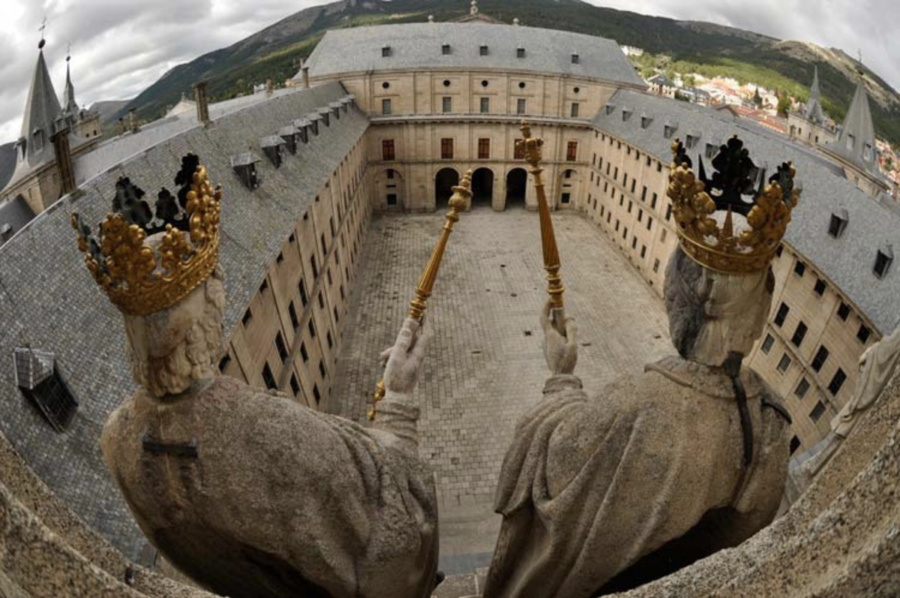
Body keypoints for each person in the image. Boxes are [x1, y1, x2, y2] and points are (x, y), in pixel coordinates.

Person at [73, 159, 439, 598]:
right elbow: (393, 533)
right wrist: (398, 401)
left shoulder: (115, 441)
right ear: (213, 304)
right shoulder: (276, 434)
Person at [484, 139, 793, 598]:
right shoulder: (772, 424)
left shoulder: (634, 407)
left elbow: (538, 463)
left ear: (686, 296)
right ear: (760, 304)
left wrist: (562, 377)